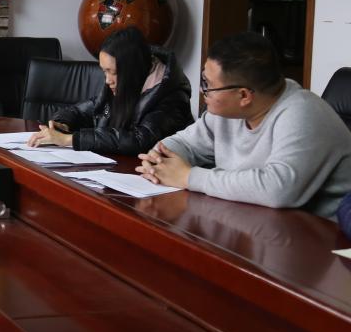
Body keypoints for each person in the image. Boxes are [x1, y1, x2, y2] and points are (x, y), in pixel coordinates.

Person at [137, 32, 351, 218]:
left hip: (323, 237)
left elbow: (277, 189)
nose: (202, 91)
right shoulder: (226, 111)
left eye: (208, 84)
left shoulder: (303, 114)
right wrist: (158, 160)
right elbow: (185, 143)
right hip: (254, 218)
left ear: (244, 96)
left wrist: (188, 177)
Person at [27, 27, 193, 155]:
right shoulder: (121, 87)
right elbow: (82, 110)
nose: (107, 80)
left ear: (132, 70)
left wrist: (70, 139)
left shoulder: (172, 97)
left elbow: (140, 141)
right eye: (104, 71)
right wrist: (62, 123)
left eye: (113, 72)